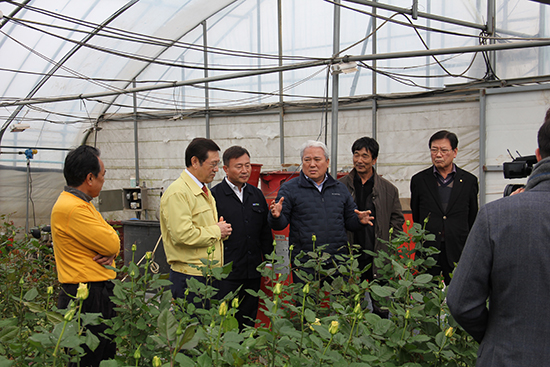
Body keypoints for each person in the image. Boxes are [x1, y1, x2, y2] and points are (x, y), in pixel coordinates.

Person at [447, 109, 550, 367]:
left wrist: (498, 336)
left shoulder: (498, 214)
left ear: (538, 155)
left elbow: (461, 302)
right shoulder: (421, 180)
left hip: (510, 355)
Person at [51, 145, 120, 367]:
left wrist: (111, 248)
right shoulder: (73, 208)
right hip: (84, 294)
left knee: (102, 351)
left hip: (93, 290)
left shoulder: (81, 203)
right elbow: (111, 241)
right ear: (90, 178)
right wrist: (111, 247)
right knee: (87, 356)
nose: (103, 181)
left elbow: (111, 242)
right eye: (102, 176)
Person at [268, 140, 374, 281]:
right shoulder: (290, 188)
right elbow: (280, 224)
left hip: (338, 261)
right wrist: (275, 215)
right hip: (305, 262)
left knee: (340, 301)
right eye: (307, 160)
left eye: (317, 159)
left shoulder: (339, 188)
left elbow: (350, 221)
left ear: (327, 161)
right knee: (306, 301)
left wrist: (360, 220)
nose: (312, 164)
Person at [160, 138, 232, 305]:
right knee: (193, 327)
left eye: (217, 164)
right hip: (189, 277)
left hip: (208, 274)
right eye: (213, 164)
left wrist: (220, 231)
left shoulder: (203, 190)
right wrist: (217, 231)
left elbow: (204, 228)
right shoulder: (178, 193)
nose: (216, 170)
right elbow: (182, 235)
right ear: (194, 162)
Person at [210, 146, 273, 328]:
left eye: (247, 165)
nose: (245, 170)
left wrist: (268, 262)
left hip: (253, 270)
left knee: (249, 315)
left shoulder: (256, 194)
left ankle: (245, 352)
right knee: (226, 317)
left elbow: (264, 231)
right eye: (239, 166)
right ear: (226, 169)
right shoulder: (215, 196)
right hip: (227, 272)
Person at [410, 130, 478, 284]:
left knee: (458, 291)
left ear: (455, 152)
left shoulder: (468, 181)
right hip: (429, 248)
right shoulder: (419, 180)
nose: (438, 155)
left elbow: (472, 216)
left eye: (443, 150)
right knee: (427, 294)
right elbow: (417, 215)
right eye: (434, 150)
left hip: (457, 248)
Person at [339, 137, 405, 282]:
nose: (359, 160)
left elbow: (397, 222)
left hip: (378, 257)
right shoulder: (339, 187)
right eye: (356, 154)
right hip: (349, 255)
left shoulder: (388, 190)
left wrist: (389, 251)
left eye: (365, 156)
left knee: (381, 301)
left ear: (374, 160)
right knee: (350, 300)